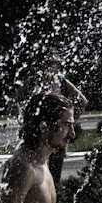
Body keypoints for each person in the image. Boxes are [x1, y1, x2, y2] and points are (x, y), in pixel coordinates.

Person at [13, 51, 88, 185]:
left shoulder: (61, 81)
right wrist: (22, 118)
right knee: (32, 169)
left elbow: (82, 101)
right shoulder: (33, 81)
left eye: (57, 64)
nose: (54, 67)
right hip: (36, 133)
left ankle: (52, 199)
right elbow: (15, 99)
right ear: (42, 65)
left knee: (54, 173)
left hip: (57, 133)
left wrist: (69, 122)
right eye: (51, 63)